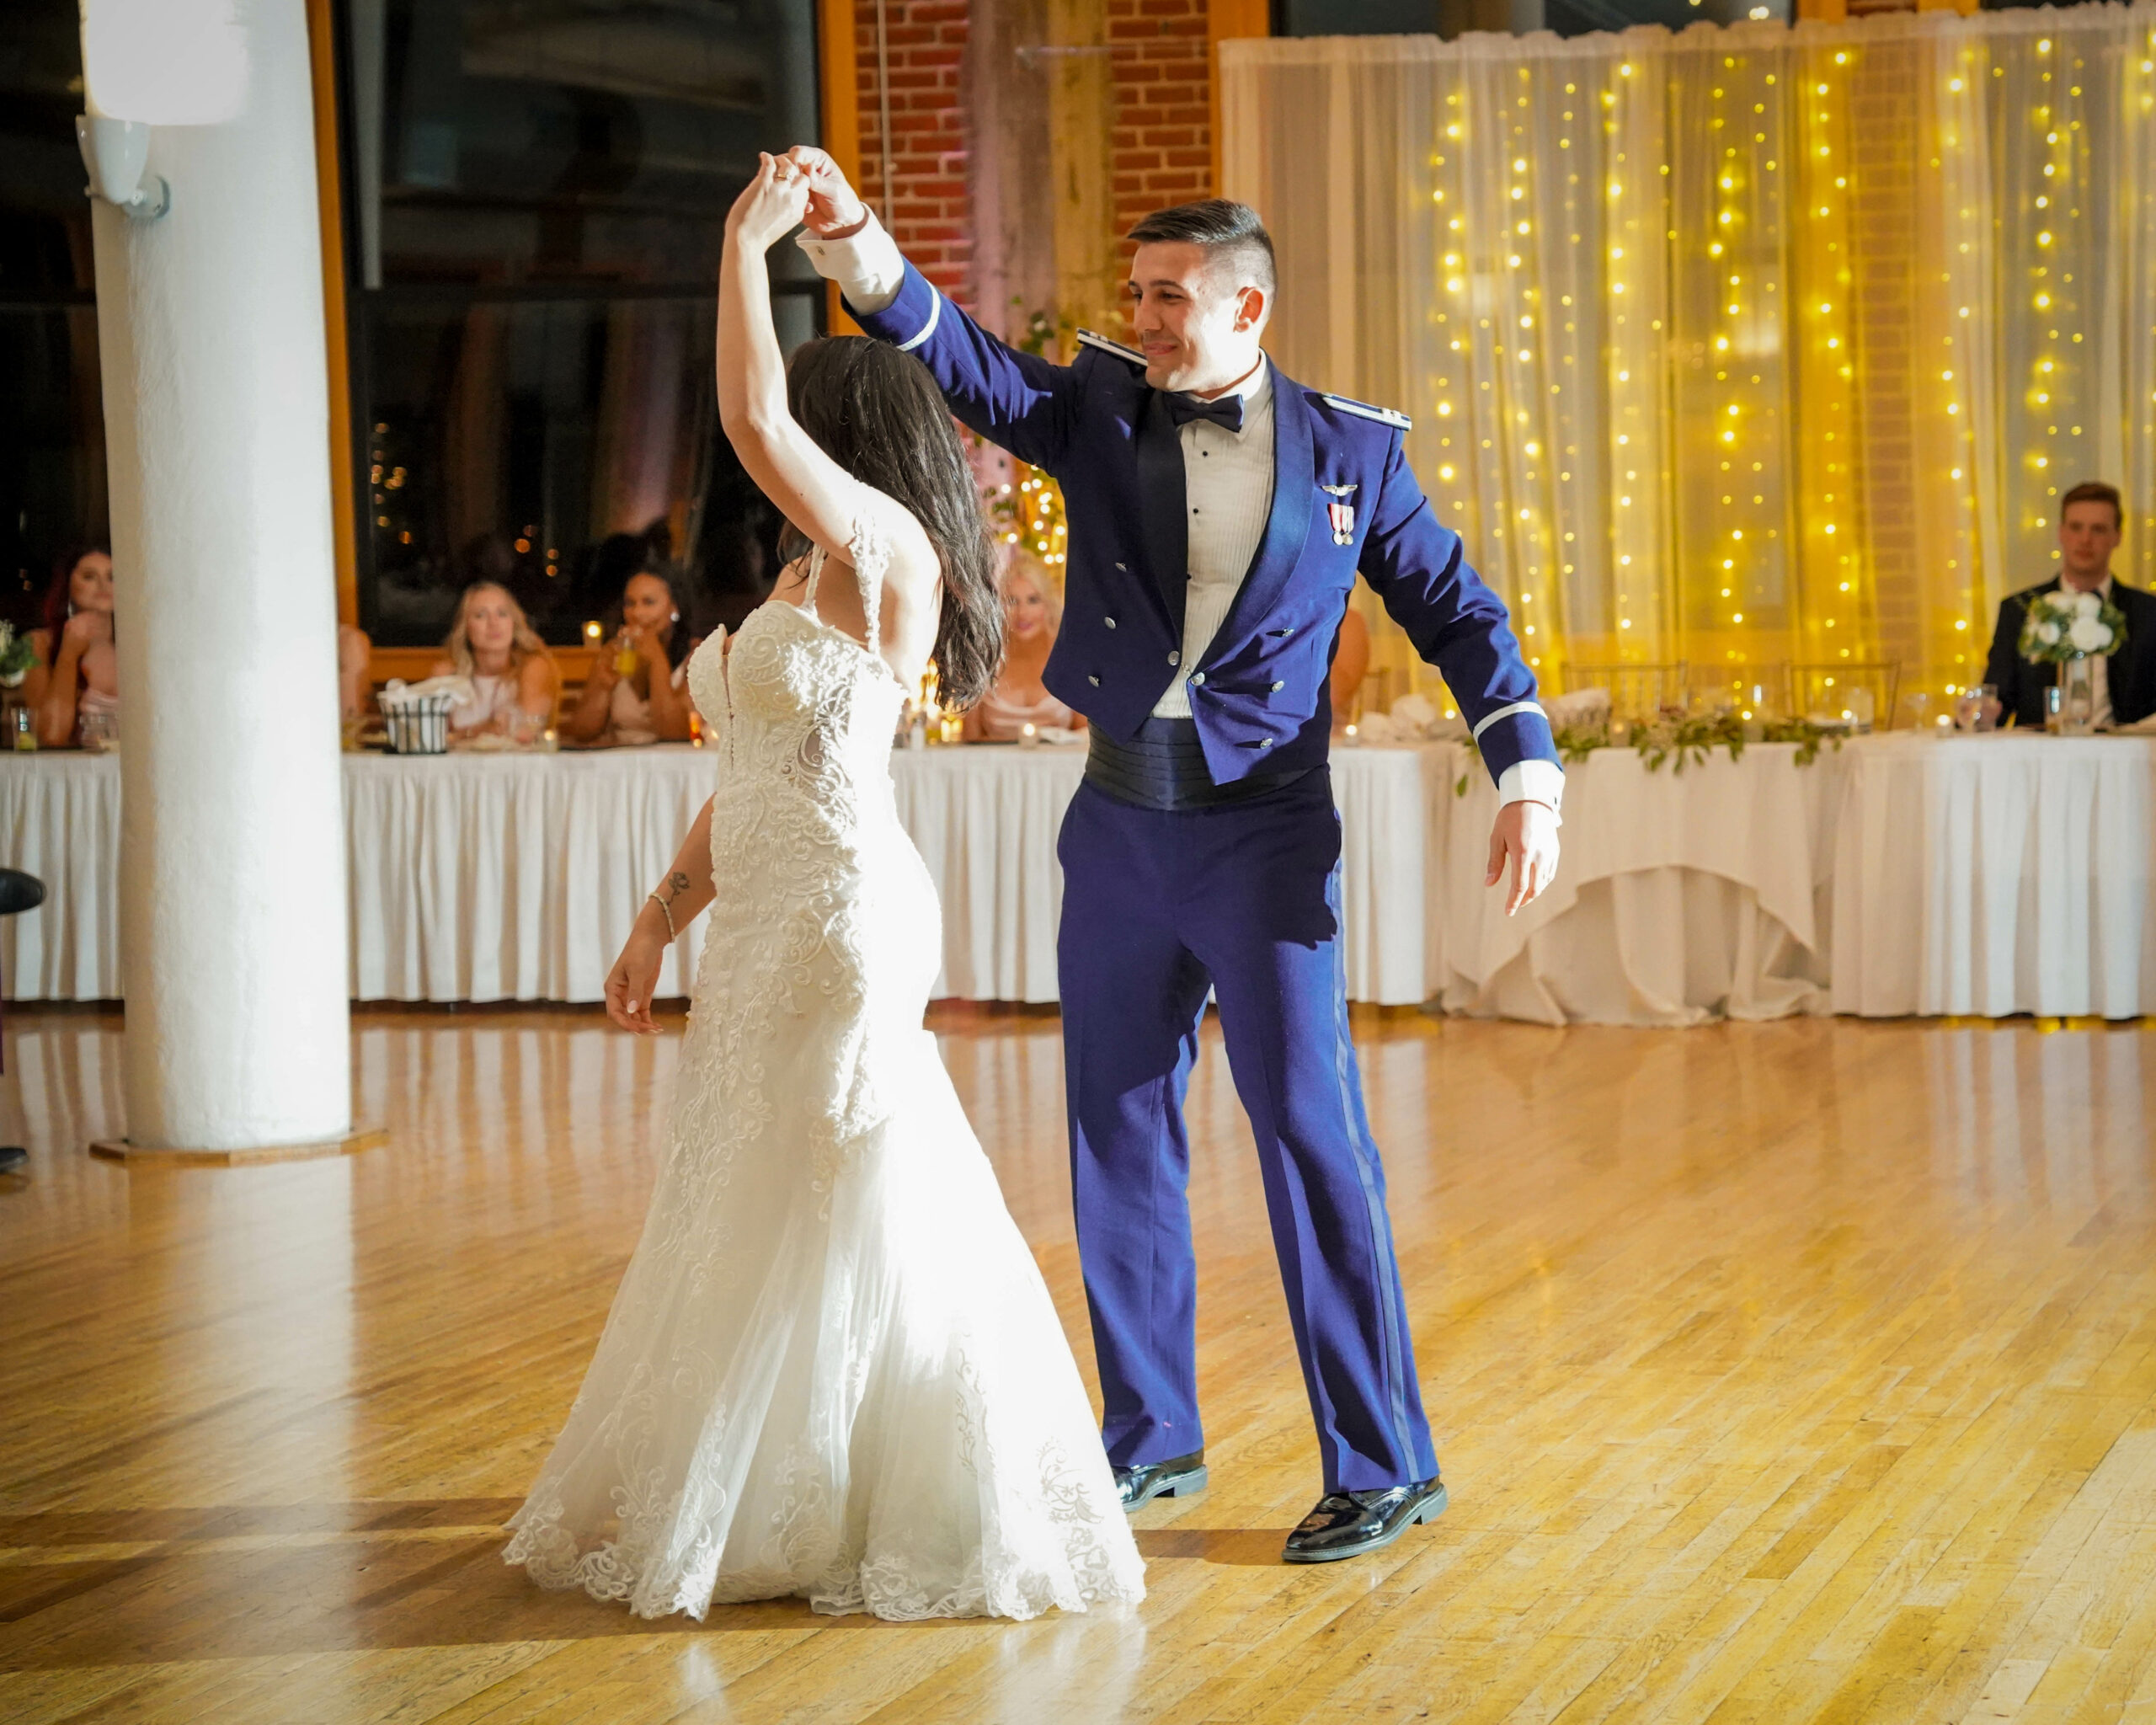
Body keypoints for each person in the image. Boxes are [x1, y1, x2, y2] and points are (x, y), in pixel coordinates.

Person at [787, 154, 1563, 1565]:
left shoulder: (1353, 452)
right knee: (1115, 1132)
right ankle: (1150, 1438)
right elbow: (959, 358)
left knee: (1311, 1137)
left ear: (1246, 303)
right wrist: (857, 244)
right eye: (1133, 293)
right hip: (1121, 828)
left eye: (1167, 296)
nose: (1140, 316)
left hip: (1269, 841)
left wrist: (1531, 777)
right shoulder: (1094, 411)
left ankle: (1383, 1459)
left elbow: (1462, 612)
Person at [503, 154, 1144, 1624]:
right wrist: (661, 915)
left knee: (855, 1187)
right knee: (748, 1192)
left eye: (799, 430)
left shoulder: (891, 553)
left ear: (846, 436)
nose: (764, 459)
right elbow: (749, 777)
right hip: (765, 919)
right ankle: (789, 1481)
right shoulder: (798, 581)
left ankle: (904, 1491)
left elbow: (746, 412)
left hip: (850, 920)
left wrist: (746, 241)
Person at [1983, 481, 2155, 729]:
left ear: (2117, 537)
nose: (2085, 539)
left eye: (2098, 529)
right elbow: (1998, 698)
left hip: (2123, 756)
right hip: (2041, 755)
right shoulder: (2020, 609)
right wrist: (1983, 713)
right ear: (2061, 532)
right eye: (2076, 527)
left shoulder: (2148, 612)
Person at [559, 569, 699, 745]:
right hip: (620, 762)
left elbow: (673, 733)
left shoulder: (695, 657)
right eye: (630, 603)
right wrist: (603, 687)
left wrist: (657, 661)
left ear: (675, 607)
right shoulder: (615, 651)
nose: (637, 613)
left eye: (648, 602)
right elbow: (582, 732)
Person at [963, 553, 1086, 739]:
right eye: (1012, 601)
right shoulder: (983, 660)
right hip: (993, 767)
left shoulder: (1070, 658)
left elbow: (1085, 737)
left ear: (1048, 603)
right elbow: (968, 741)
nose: (1022, 613)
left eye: (1033, 600)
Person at [429, 581, 559, 738]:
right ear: (465, 627)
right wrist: (489, 728)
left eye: (502, 614)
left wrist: (460, 735)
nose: (494, 623)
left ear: (514, 623)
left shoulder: (533, 666)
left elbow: (525, 731)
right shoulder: (447, 674)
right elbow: (431, 735)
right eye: (481, 615)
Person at [29, 544, 119, 749]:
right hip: (75, 776)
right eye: (89, 576)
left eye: (112, 577)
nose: (103, 586)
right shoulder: (39, 643)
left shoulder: (137, 645)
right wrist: (68, 654)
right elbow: (52, 735)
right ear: (67, 585)